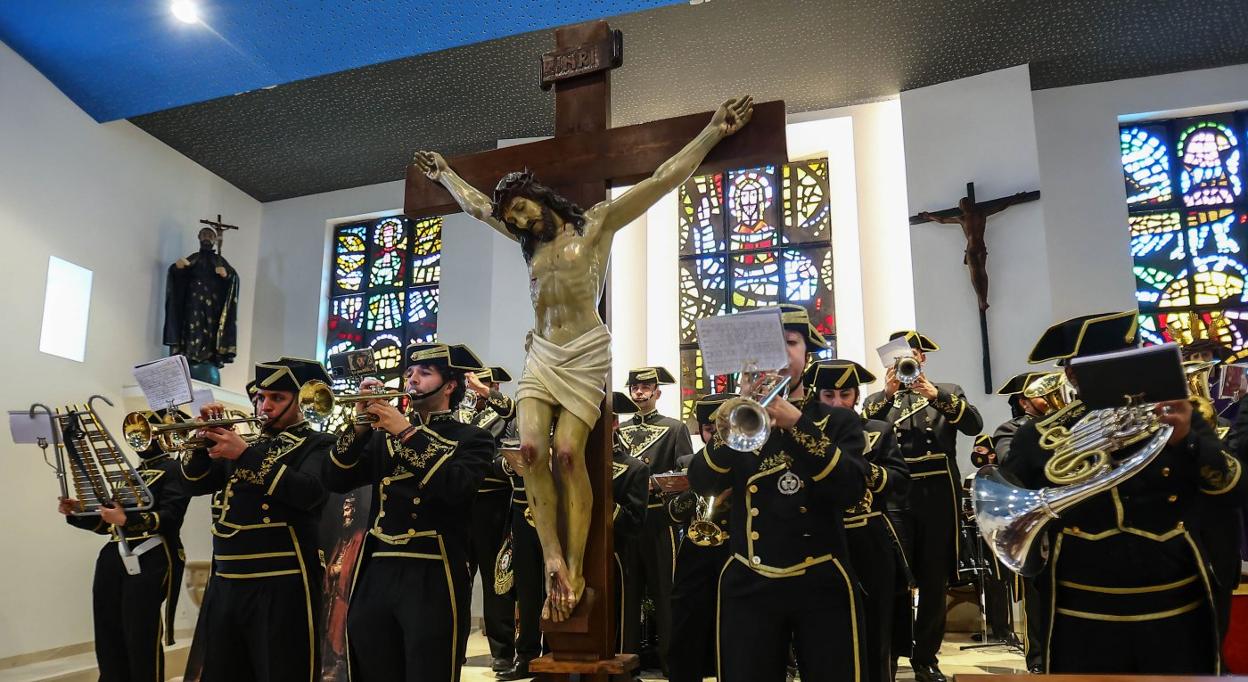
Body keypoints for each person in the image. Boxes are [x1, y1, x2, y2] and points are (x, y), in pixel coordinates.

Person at [413, 95, 755, 620]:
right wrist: (446, 177)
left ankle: (573, 562)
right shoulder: (524, 240)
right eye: (513, 217)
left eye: (522, 207)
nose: (519, 220)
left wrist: (713, 131)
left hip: (585, 351)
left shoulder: (595, 226)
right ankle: (551, 555)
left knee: (569, 454)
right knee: (530, 450)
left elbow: (663, 178)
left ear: (537, 195)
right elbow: (478, 208)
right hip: (543, 350)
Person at [1000, 311, 1244, 673]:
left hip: (1174, 594)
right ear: (1072, 374)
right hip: (1080, 601)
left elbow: (1231, 487)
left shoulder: (1180, 417)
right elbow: (1013, 510)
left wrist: (1188, 441)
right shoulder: (1039, 435)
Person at [688, 304, 868, 682]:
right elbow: (702, 480)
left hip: (820, 578)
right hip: (749, 579)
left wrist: (797, 424)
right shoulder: (736, 419)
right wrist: (735, 416)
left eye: (789, 342)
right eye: (770, 343)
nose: (780, 352)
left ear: (806, 353)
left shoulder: (837, 420)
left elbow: (851, 488)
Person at [324, 342, 493, 682]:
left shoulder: (473, 438)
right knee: (373, 663)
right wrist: (358, 427)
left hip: (433, 568)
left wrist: (404, 431)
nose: (412, 379)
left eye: (424, 373)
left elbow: (457, 488)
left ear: (450, 385)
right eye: (409, 373)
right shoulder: (380, 436)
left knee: (427, 666)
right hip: (378, 566)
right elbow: (335, 478)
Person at [181, 357, 335, 682]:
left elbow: (309, 492)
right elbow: (193, 483)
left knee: (281, 670)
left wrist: (245, 454)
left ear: (304, 400)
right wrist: (201, 441)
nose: (264, 406)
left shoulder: (319, 444)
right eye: (261, 397)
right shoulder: (244, 444)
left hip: (281, 580)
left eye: (276, 398)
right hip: (226, 580)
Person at [863, 331, 982, 682]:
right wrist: (887, 396)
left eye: (912, 355)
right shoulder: (877, 401)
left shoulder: (948, 390)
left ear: (922, 359)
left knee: (934, 579)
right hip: (895, 494)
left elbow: (974, 425)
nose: (906, 362)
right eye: (900, 357)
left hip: (937, 495)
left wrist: (935, 394)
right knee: (895, 577)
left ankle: (926, 658)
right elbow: (863, 435)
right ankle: (889, 655)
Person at [57, 409, 190, 682]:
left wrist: (126, 518)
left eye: (145, 432)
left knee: (139, 632)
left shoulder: (174, 469)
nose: (138, 439)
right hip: (114, 555)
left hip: (151, 554)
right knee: (108, 630)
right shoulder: (133, 473)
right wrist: (79, 512)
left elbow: (170, 517)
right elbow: (109, 525)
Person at [807, 359, 910, 682]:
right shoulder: (802, 435)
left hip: (867, 540)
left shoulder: (877, 430)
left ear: (856, 395)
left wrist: (866, 472)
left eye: (845, 394)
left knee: (876, 629)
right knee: (821, 633)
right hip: (819, 541)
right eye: (829, 395)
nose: (838, 403)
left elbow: (900, 480)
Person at [618, 366, 692, 671]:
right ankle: (626, 659)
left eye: (646, 386)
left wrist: (657, 482)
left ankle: (671, 661)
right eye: (635, 386)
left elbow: (686, 472)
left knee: (665, 592)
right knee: (627, 593)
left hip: (659, 518)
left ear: (657, 392)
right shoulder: (618, 429)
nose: (639, 391)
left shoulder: (675, 428)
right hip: (625, 519)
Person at [665, 392, 734, 682]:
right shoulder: (689, 462)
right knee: (687, 623)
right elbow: (670, 514)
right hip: (696, 553)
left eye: (723, 431)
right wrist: (689, 490)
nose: (717, 437)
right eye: (710, 430)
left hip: (736, 549)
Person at [457, 365, 520, 675]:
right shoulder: (459, 415)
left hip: (492, 502)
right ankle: (454, 646)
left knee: (498, 580)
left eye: (481, 385)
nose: (473, 390)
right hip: (458, 502)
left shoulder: (506, 415)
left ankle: (503, 651)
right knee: (456, 577)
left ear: (492, 386)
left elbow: (509, 451)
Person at [608, 391, 651, 671]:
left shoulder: (633, 469)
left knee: (616, 617)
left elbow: (635, 522)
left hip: (615, 555)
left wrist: (604, 505)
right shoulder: (569, 463)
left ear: (614, 424)